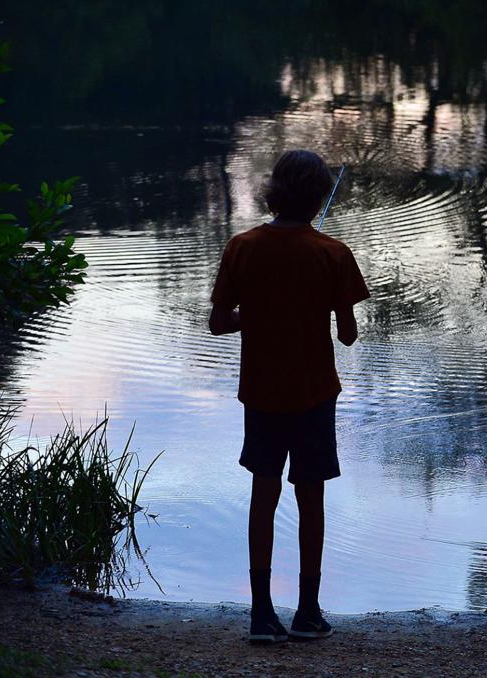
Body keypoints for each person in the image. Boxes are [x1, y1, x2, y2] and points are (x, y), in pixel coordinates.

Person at [209, 150, 369, 644]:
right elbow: (347, 335)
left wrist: (253, 318)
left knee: (263, 493)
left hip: (260, 392)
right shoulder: (332, 253)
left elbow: (218, 323)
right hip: (314, 394)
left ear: (274, 191)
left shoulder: (242, 246)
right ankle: (307, 611)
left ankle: (260, 614)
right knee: (311, 497)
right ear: (319, 197)